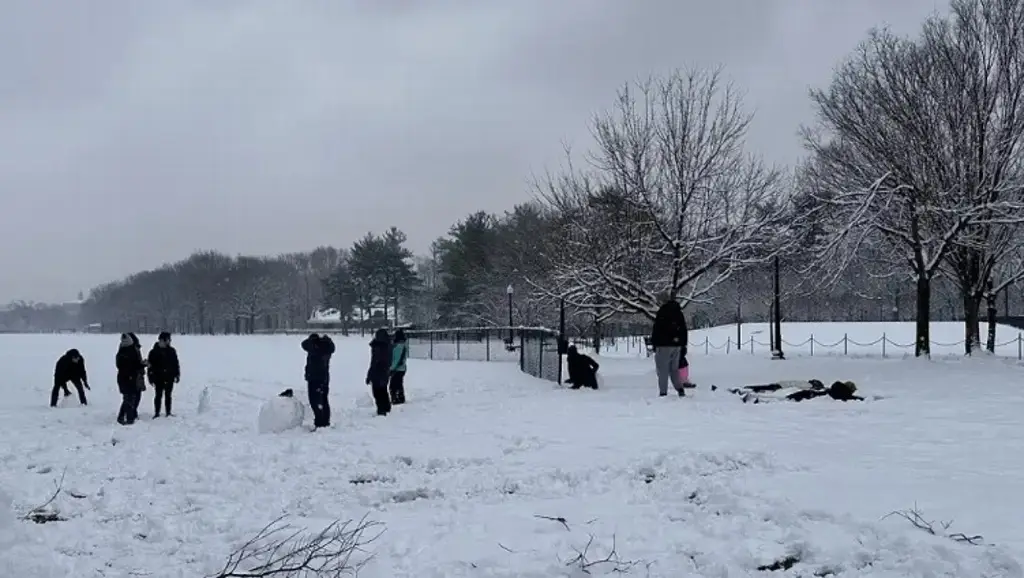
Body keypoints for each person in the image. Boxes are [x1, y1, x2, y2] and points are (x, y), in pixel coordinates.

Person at [650, 299, 689, 397]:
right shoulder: (679, 314)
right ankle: (680, 388)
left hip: (663, 345)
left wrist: (654, 343)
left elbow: (657, 328)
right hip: (677, 345)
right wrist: (683, 344)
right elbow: (684, 330)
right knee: (674, 369)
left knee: (663, 370)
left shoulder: (662, 312)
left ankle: (663, 392)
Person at [301, 333, 335, 429]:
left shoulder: (314, 348)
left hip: (314, 377)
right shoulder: (326, 347)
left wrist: (313, 338)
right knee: (323, 399)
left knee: (315, 401)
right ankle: (324, 421)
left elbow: (304, 344)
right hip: (324, 377)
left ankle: (320, 422)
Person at [147, 332, 181, 418]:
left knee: (168, 395)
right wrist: (150, 378)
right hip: (158, 377)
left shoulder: (172, 351)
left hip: (169, 377)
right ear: (163, 340)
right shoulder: (153, 352)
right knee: (158, 395)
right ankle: (157, 413)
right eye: (168, 339)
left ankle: (168, 412)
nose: (170, 341)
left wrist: (177, 375)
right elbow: (149, 366)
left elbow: (176, 364)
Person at [116, 333, 146, 424]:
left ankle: (126, 416)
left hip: (133, 377)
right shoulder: (125, 352)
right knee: (129, 398)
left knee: (132, 397)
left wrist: (141, 365)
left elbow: (135, 364)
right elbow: (126, 366)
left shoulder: (132, 350)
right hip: (128, 378)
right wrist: (141, 365)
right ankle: (129, 418)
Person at [366, 328, 392, 416]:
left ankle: (381, 410)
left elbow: (374, 362)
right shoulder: (388, 345)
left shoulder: (378, 347)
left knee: (377, 392)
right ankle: (386, 407)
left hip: (378, 373)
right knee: (383, 390)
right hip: (385, 372)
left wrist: (369, 376)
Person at [389, 329, 408, 405]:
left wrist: (391, 369)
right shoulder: (404, 345)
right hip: (402, 368)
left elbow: (396, 360)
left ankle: (395, 400)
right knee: (399, 384)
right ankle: (400, 398)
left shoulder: (398, 347)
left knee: (393, 386)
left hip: (397, 369)